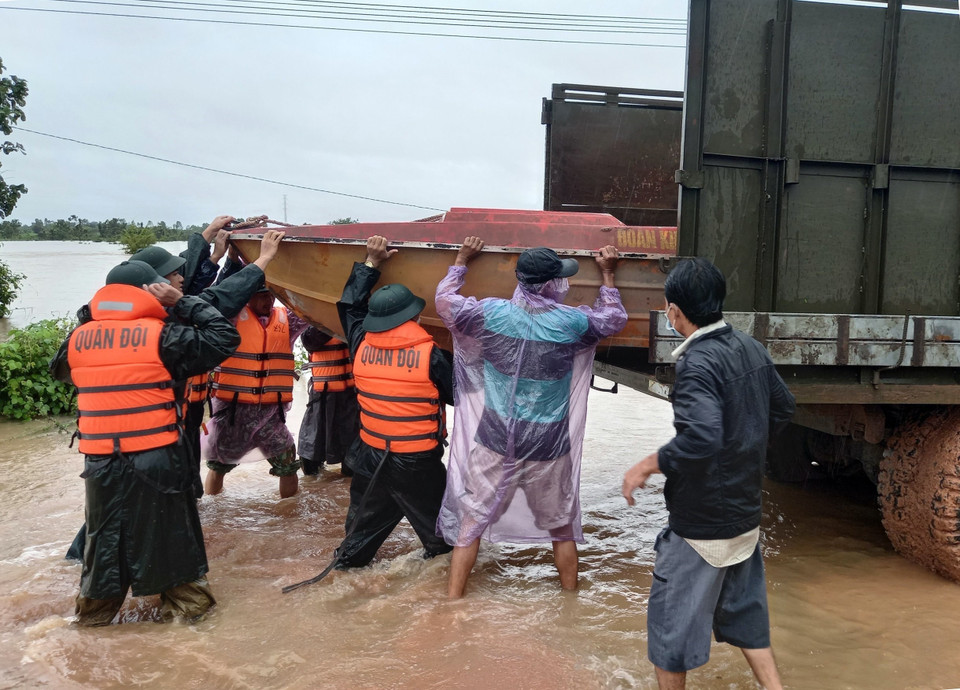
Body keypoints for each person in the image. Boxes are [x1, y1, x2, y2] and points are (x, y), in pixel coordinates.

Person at [621, 258, 795, 690]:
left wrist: (647, 464)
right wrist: (743, 452)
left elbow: (701, 437)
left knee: (668, 636)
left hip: (701, 527)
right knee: (748, 617)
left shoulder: (697, 363)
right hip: (744, 516)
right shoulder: (749, 346)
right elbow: (783, 407)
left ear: (674, 311)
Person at [51, 259, 240, 626]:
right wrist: (183, 302)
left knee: (104, 544)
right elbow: (224, 338)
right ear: (149, 293)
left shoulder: (78, 339)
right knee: (171, 539)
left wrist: (91, 317)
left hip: (100, 464)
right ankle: (187, 617)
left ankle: (92, 621)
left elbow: (58, 369)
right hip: (156, 459)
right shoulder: (162, 337)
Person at [436, 238, 627, 597]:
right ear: (552, 284)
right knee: (562, 528)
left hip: (494, 439)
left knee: (471, 523)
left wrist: (461, 260)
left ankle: (452, 602)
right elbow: (613, 320)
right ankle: (570, 603)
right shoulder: (570, 323)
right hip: (548, 446)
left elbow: (445, 304)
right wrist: (607, 274)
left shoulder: (491, 314)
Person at [331, 235, 453, 568]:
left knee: (358, 539)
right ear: (412, 318)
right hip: (415, 462)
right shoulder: (431, 355)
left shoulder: (359, 343)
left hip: (371, 457)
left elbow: (349, 307)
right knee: (444, 538)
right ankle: (441, 590)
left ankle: (346, 571)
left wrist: (371, 261)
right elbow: (460, 394)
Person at [203, 254, 310, 499]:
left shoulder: (287, 322)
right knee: (219, 465)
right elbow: (215, 297)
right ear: (246, 295)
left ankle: (289, 517)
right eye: (261, 294)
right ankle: (214, 511)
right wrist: (232, 259)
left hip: (271, 416)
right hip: (231, 413)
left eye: (271, 293)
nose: (268, 299)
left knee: (287, 464)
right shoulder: (229, 321)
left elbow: (308, 308)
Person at [297, 326, 360, 477]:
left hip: (351, 397)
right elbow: (309, 342)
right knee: (310, 458)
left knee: (352, 463)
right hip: (321, 397)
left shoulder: (355, 325)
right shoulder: (314, 327)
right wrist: (330, 322)